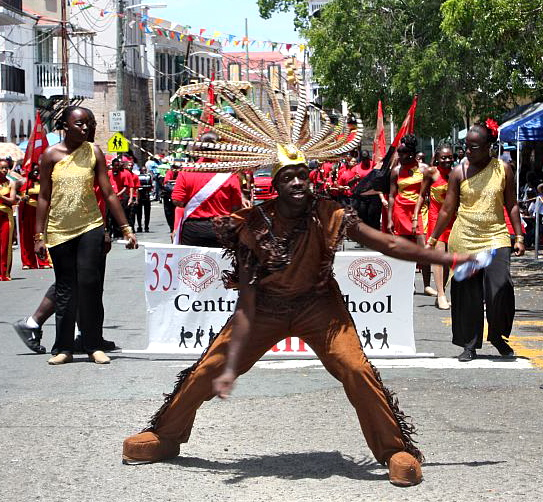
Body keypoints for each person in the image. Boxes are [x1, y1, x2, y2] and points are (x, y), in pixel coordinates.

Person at [121, 77, 474, 487]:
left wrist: (444, 256)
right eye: (288, 177)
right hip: (266, 309)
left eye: (302, 176)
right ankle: (164, 436)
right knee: (207, 369)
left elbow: (390, 243)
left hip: (319, 307)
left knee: (357, 369)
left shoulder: (332, 213)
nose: (297, 183)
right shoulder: (252, 225)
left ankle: (395, 449)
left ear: (311, 180)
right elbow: (248, 302)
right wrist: (230, 365)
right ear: (276, 182)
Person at [35, 106, 138, 365]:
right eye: (80, 123)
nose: (86, 128)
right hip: (59, 230)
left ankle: (93, 345)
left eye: (89, 124)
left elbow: (109, 193)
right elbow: (44, 197)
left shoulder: (94, 152)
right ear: (66, 125)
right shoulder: (50, 155)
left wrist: (125, 228)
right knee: (65, 288)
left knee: (90, 285)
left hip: (90, 226)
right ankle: (63, 348)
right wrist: (39, 235)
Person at [427, 120, 525, 361]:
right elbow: (447, 209)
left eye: (474, 147)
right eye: (466, 147)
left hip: (496, 234)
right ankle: (469, 344)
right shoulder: (459, 172)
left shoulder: (504, 169)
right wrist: (432, 239)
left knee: (500, 287)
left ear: (489, 146)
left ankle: (497, 335)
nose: (468, 151)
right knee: (467, 294)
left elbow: (511, 204)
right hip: (465, 237)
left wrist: (519, 235)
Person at [171, 131, 242, 247]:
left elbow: (178, 201)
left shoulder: (186, 171)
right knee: (221, 265)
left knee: (191, 264)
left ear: (199, 149)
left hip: (193, 230)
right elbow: (236, 207)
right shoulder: (230, 174)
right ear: (220, 150)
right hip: (221, 228)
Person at [388, 135, 435, 295]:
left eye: (403, 153)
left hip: (420, 212)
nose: (399, 156)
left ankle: (427, 284)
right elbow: (392, 196)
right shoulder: (395, 171)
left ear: (411, 153)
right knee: (405, 250)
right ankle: (410, 284)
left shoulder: (424, 169)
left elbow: (432, 190)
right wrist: (389, 219)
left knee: (423, 249)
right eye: (398, 153)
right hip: (400, 212)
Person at [415, 144, 455, 309]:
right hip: (435, 218)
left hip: (453, 220)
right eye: (444, 157)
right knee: (438, 256)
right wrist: (414, 216)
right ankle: (440, 294)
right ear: (437, 158)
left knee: (448, 259)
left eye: (449, 157)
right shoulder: (431, 173)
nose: (447, 160)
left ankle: (442, 290)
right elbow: (421, 195)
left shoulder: (456, 173)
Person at [17, 164, 52, 270]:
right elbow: (14, 193)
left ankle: (44, 261)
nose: (36, 172)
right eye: (34, 170)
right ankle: (28, 262)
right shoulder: (23, 181)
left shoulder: (45, 180)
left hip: (41, 212)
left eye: (38, 169)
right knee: (26, 237)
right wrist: (22, 197)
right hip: (28, 211)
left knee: (41, 236)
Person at [107, 158, 133, 238]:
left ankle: (118, 233)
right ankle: (110, 232)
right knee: (109, 216)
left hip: (120, 198)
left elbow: (126, 187)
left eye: (118, 166)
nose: (117, 167)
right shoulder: (108, 173)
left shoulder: (123, 174)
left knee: (119, 215)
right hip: (110, 198)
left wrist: (118, 194)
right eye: (115, 166)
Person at [0, 156, 17, 281]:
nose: (4, 170)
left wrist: (1, 197)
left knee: (5, 244)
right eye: (2, 168)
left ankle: (4, 273)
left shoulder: (11, 183)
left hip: (6, 216)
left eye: (6, 168)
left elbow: (12, 200)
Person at [136, 164, 153, 232]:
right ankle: (139, 226)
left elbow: (150, 186)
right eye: (143, 170)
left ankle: (146, 226)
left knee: (147, 212)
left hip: (146, 195)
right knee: (139, 212)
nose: (144, 171)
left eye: (145, 170)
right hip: (140, 195)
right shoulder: (138, 177)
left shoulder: (148, 176)